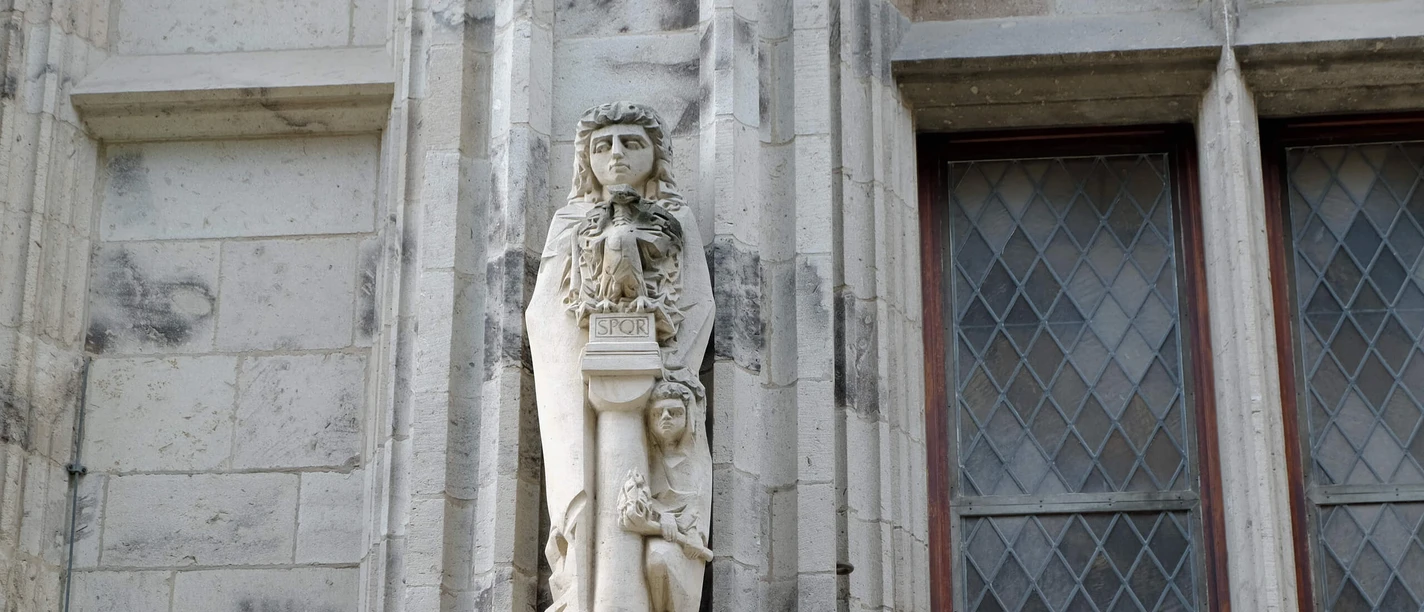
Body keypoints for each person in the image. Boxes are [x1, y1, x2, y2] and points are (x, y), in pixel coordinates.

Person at [527, 102, 715, 612]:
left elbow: (698, 299)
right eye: (602, 145)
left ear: (656, 156)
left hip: (657, 379)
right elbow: (544, 310)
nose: (615, 155)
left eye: (632, 143)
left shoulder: (675, 219)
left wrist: (670, 364)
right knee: (580, 493)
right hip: (584, 372)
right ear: (584, 158)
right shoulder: (570, 220)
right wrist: (581, 341)